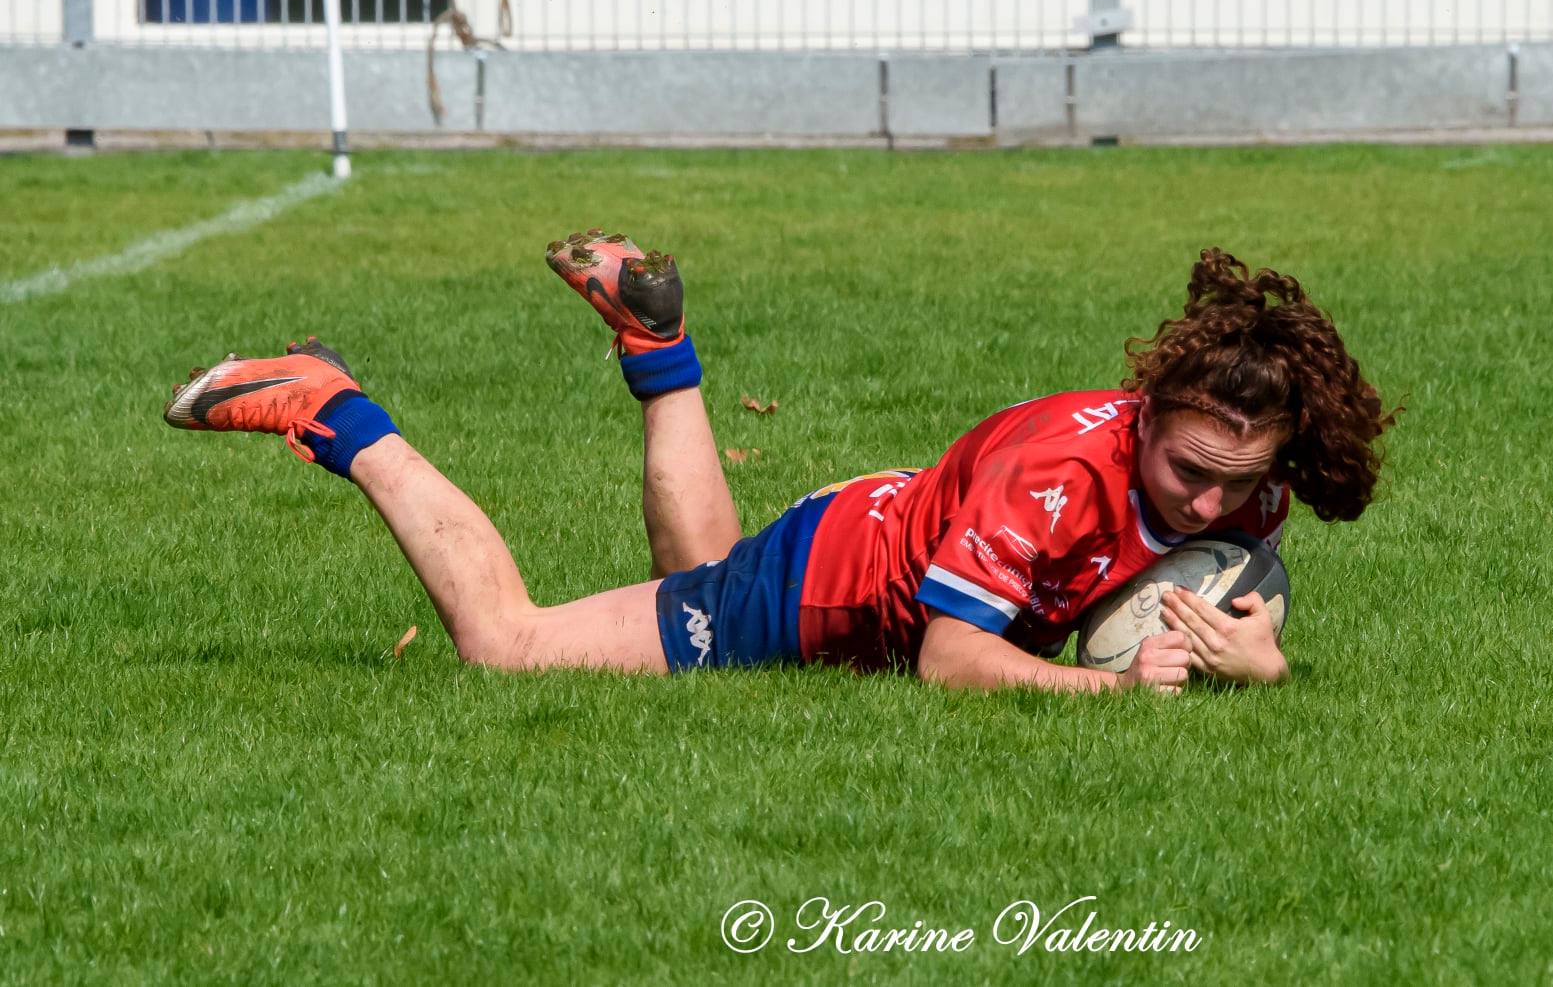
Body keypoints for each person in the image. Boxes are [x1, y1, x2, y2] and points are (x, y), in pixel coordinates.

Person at [163, 233, 1393, 694]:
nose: (1213, 503)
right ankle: (331, 410)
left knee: (694, 570)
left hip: (864, 524)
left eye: (1241, 482)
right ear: (1145, 410)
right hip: (817, 589)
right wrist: (1117, 692)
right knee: (509, 644)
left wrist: (1257, 655)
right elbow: (955, 660)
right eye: (1190, 472)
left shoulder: (1237, 466)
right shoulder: (1056, 478)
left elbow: (1235, 570)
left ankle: (659, 345)